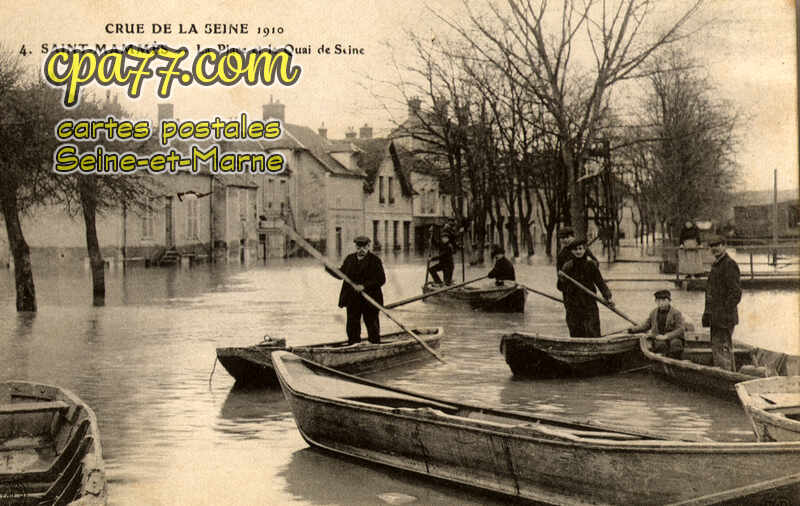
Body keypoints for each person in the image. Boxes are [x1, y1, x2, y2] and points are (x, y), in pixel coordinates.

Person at [327, 236, 386, 345]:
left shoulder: (375, 260)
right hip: (353, 299)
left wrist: (364, 286)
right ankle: (353, 344)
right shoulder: (350, 259)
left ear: (369, 246)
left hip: (370, 299)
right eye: (359, 247)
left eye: (364, 247)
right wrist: (329, 268)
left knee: (372, 324)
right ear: (356, 246)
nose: (361, 249)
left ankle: (375, 345)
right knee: (352, 324)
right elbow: (341, 275)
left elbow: (381, 279)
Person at [557, 238, 613, 337]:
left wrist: (608, 297)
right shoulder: (567, 267)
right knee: (576, 330)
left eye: (580, 249)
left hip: (589, 302)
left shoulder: (591, 265)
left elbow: (600, 283)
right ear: (571, 251)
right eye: (575, 249)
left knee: (592, 329)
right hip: (573, 304)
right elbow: (560, 287)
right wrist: (561, 279)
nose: (578, 251)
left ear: (584, 249)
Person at [702, 235, 742, 371]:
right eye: (712, 246)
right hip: (716, 317)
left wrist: (724, 312)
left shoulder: (729, 265)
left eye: (717, 245)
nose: (715, 249)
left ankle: (727, 378)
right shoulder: (717, 265)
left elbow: (736, 293)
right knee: (719, 348)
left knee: (722, 349)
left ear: (724, 245)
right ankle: (727, 376)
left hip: (724, 317)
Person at [628, 290, 687, 359]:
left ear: (668, 301)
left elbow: (680, 329)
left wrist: (667, 336)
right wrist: (631, 330)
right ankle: (661, 363)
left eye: (663, 300)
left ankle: (675, 362)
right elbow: (646, 325)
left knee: (676, 344)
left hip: (673, 338)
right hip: (658, 338)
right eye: (658, 301)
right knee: (660, 345)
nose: (661, 303)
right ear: (656, 302)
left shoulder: (676, 313)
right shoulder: (653, 313)